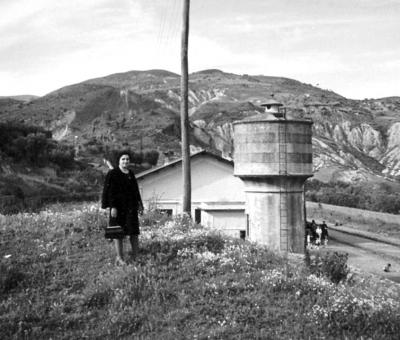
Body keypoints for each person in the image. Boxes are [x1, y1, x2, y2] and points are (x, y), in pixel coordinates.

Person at [101, 151, 143, 265]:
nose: (126, 161)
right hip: (117, 208)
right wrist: (112, 206)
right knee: (117, 232)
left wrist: (140, 204)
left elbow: (136, 191)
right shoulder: (113, 173)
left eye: (127, 159)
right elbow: (110, 192)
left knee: (134, 232)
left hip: (130, 207)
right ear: (119, 161)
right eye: (123, 159)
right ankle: (119, 258)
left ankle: (136, 256)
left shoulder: (131, 173)